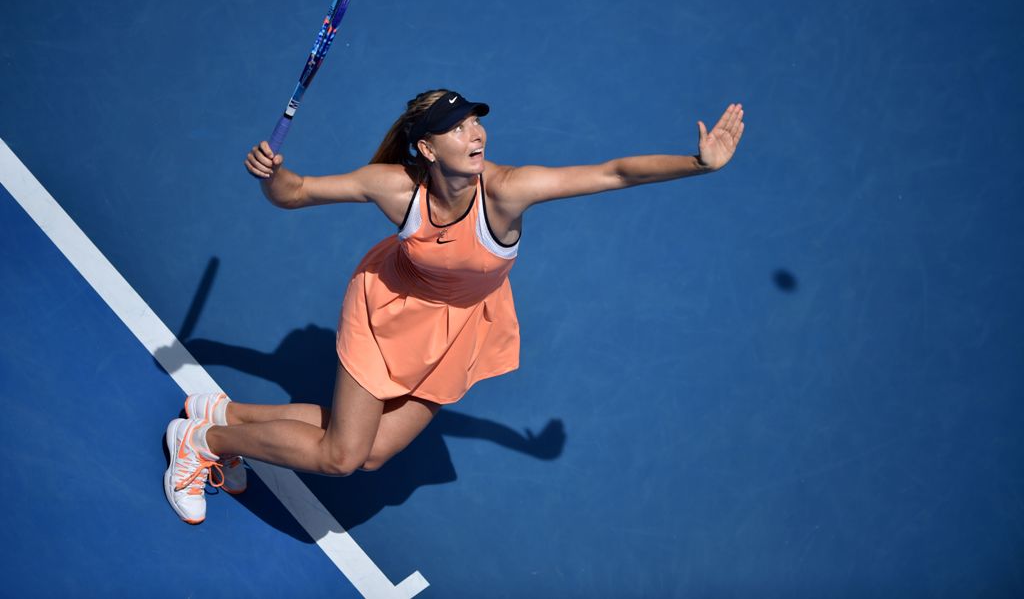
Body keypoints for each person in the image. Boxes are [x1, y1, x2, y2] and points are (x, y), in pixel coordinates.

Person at [163, 89, 745, 524]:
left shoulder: (510, 190)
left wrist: (697, 164)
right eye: (456, 128)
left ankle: (225, 413)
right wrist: (275, 175)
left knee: (374, 453)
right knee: (343, 457)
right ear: (426, 147)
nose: (475, 135)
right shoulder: (394, 188)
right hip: (384, 310)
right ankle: (203, 444)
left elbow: (613, 172)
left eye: (474, 123)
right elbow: (294, 194)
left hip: (461, 327)